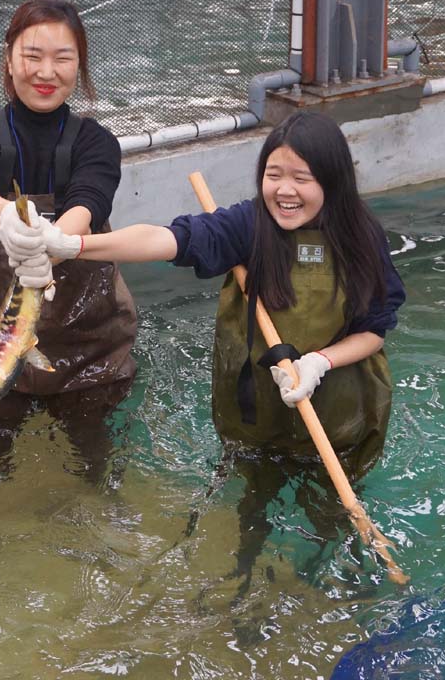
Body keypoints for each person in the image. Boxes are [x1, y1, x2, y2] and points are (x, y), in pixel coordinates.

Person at [26, 110, 405, 581]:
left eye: (301, 178)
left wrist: (319, 362)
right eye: (274, 175)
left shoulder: (362, 238)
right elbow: (167, 240)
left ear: (333, 180)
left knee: (331, 516)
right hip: (257, 412)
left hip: (339, 416)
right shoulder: (249, 227)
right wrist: (74, 246)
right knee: (254, 503)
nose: (285, 191)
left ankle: (328, 581)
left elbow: (375, 329)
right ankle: (243, 580)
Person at [0, 0, 138, 526]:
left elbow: (89, 203)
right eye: (32, 55)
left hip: (86, 357)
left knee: (96, 472)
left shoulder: (97, 142)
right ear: (8, 59)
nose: (46, 72)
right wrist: (6, 219)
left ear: (80, 65)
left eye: (63, 58)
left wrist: (52, 239)